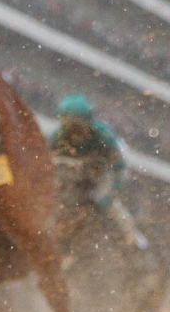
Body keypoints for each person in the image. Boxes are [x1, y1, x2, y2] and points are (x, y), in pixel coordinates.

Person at [50, 93, 148, 249]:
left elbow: (119, 170)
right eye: (70, 126)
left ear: (89, 122)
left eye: (79, 126)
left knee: (110, 205)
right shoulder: (56, 137)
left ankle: (134, 239)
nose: (75, 132)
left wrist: (109, 195)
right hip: (75, 173)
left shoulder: (104, 137)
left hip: (104, 171)